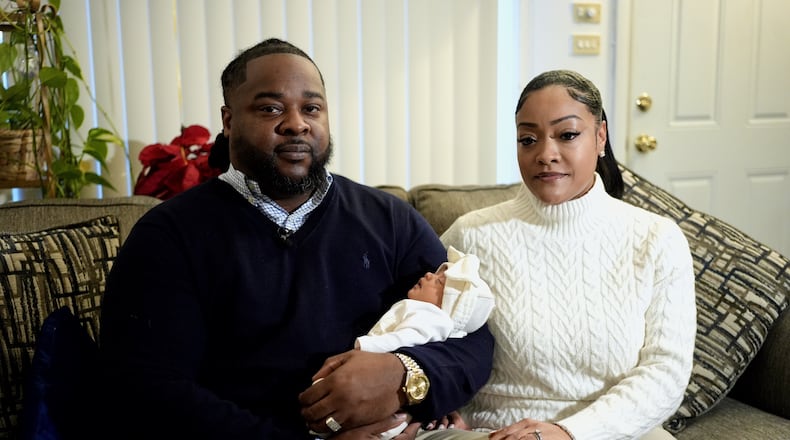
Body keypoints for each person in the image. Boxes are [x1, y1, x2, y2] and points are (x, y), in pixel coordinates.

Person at [97, 38, 494, 440]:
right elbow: (149, 387)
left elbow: (474, 337)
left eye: (311, 108)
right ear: (229, 121)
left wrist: (404, 377)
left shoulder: (390, 219)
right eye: (271, 108)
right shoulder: (168, 236)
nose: (296, 123)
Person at [422, 70, 697, 440]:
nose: (545, 155)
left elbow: (666, 372)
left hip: (614, 432)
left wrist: (569, 432)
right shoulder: (472, 235)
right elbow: (420, 329)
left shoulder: (656, 238)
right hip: (491, 431)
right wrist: (439, 400)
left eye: (567, 135)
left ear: (600, 136)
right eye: (528, 139)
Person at [354, 245, 495, 440]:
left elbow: (403, 339)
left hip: (380, 392)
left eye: (439, 282)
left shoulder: (431, 318)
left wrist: (365, 347)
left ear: (451, 305)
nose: (429, 275)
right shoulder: (420, 310)